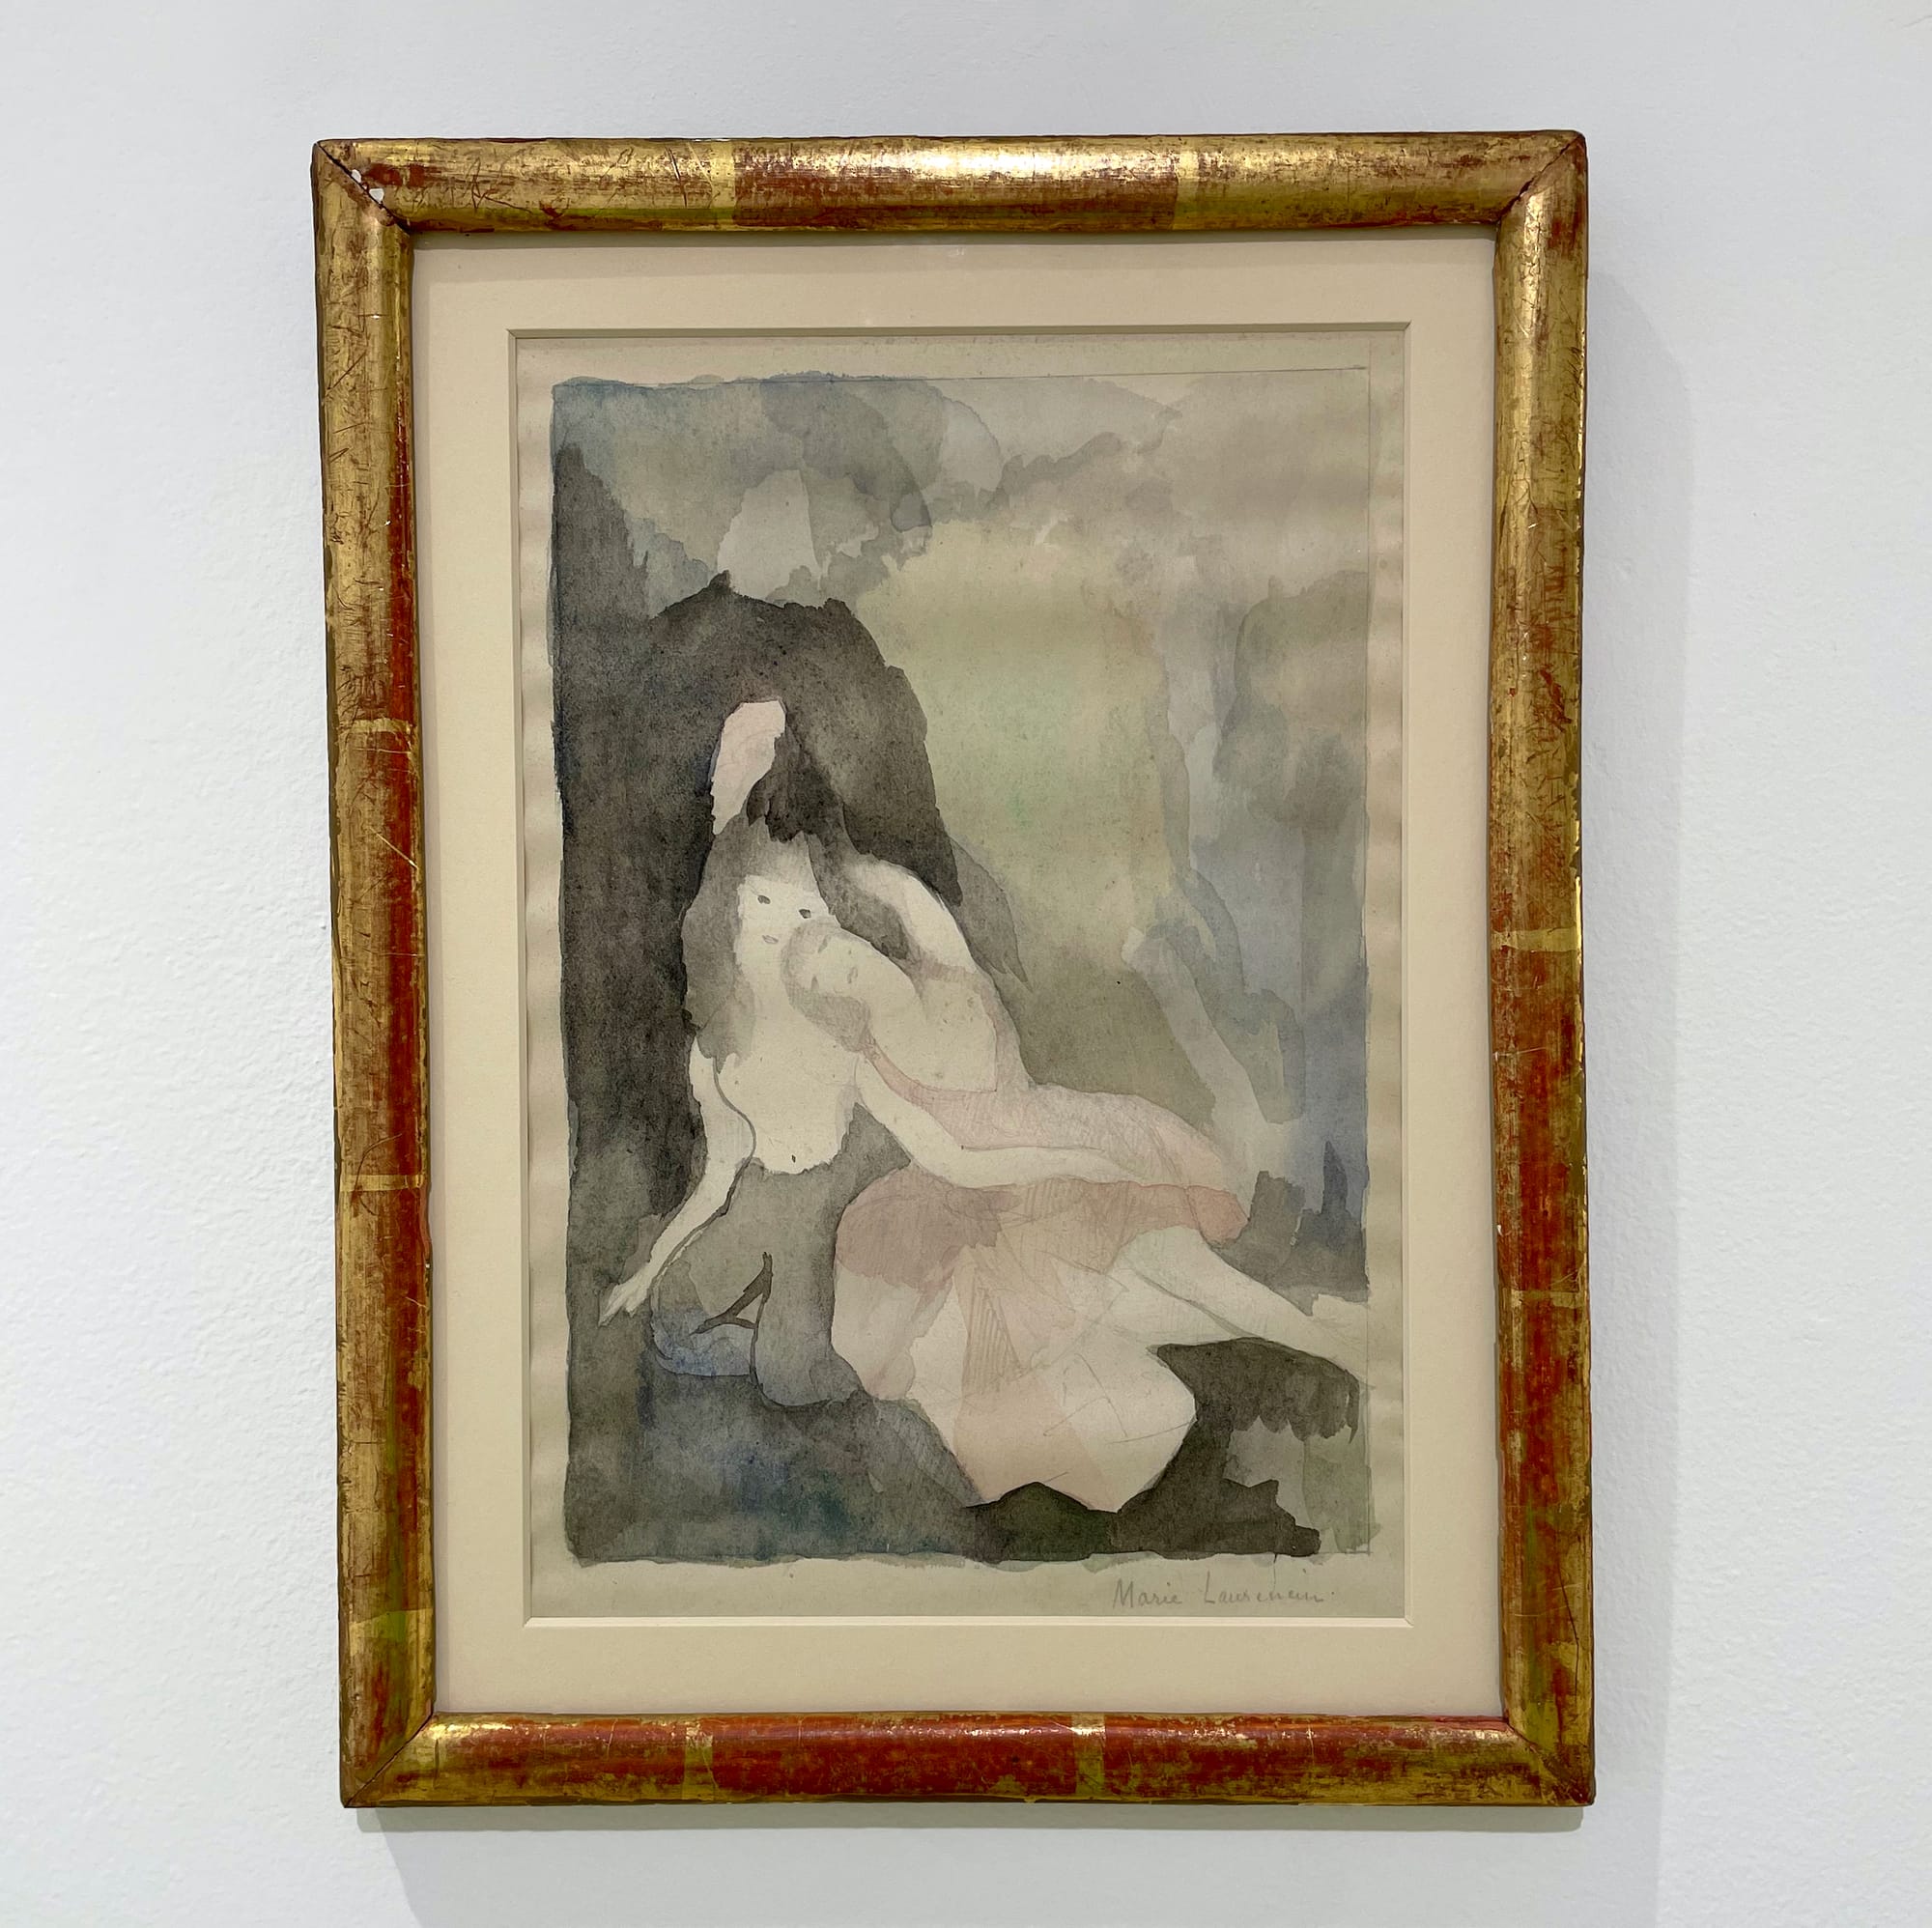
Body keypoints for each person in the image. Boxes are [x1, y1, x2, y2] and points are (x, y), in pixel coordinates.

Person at [604, 701, 1373, 1510]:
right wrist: (1076, 1163)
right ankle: (1317, 1335)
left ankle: (1323, 1335)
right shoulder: (870, 1062)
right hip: (1007, 1187)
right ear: (834, 1005)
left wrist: (821, 839)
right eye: (828, 976)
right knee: (1140, 1296)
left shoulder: (937, 952)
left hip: (1051, 1137)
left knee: (1173, 1273)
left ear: (850, 928)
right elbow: (957, 1160)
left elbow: (880, 883)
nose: (841, 964)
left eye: (830, 940)